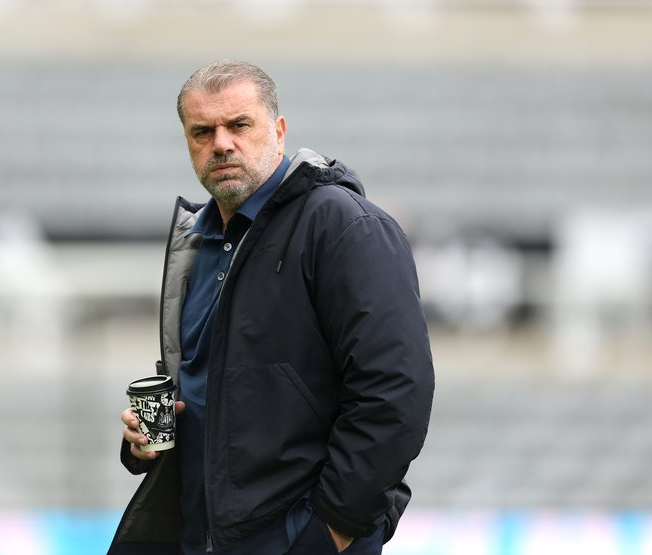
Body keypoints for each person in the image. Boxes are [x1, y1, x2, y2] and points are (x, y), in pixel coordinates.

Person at [108, 60, 434, 555]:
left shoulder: (342, 225)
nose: (221, 143)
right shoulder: (201, 241)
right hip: (201, 535)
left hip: (297, 538)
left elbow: (395, 391)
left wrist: (330, 532)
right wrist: (147, 439)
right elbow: (209, 381)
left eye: (239, 125)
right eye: (202, 131)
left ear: (278, 132)